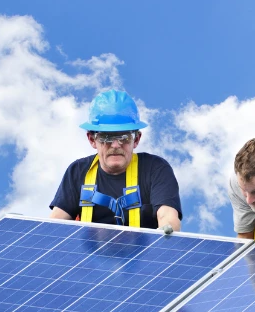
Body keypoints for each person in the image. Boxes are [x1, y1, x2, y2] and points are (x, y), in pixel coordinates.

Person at [50, 89, 182, 232]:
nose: (115, 145)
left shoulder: (155, 169)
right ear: (92, 140)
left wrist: (167, 233)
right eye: (106, 137)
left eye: (124, 137)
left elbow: (167, 216)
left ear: (136, 139)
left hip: (144, 253)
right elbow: (56, 224)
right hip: (90, 252)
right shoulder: (77, 172)